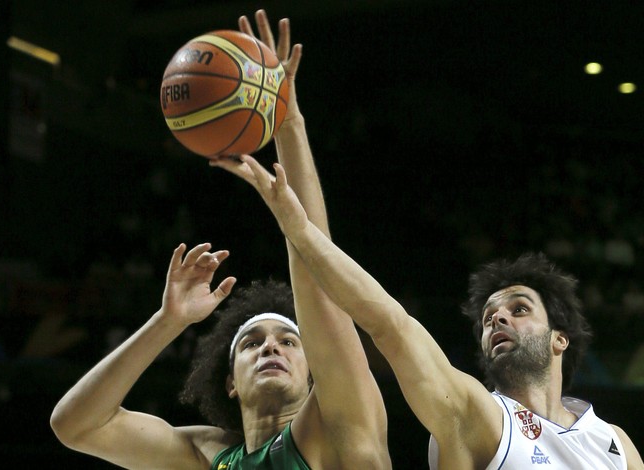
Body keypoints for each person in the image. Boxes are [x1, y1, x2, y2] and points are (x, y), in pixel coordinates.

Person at [50, 10, 391, 470]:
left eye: (290, 341)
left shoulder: (340, 430)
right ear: (230, 381)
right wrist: (167, 323)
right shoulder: (209, 455)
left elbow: (320, 281)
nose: (271, 347)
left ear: (315, 371)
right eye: (252, 343)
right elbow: (75, 426)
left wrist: (286, 120)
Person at [219, 154, 644, 469]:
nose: (498, 318)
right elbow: (390, 323)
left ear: (560, 338)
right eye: (488, 318)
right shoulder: (476, 414)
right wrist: (301, 234)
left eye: (519, 309)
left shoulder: (612, 441)